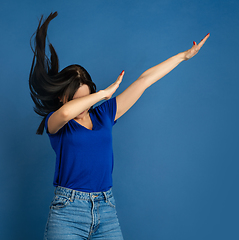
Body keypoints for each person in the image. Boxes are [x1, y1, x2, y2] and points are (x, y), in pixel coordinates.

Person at [29, 12, 209, 240]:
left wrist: (183, 56)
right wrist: (102, 94)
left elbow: (144, 81)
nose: (84, 106)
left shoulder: (104, 115)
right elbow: (66, 112)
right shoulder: (57, 123)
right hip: (68, 212)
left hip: (106, 209)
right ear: (62, 98)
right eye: (77, 100)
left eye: (88, 97)